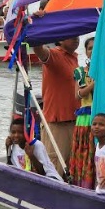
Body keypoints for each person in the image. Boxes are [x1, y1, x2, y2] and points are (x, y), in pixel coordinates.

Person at [32, 35, 80, 177]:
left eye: (77, 35)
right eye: (71, 35)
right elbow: (39, 50)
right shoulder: (55, 55)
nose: (76, 38)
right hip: (57, 124)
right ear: (60, 39)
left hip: (75, 122)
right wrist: (40, 30)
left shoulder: (74, 58)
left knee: (73, 168)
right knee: (56, 169)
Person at [69, 37, 96, 188]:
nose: (92, 50)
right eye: (90, 48)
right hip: (86, 117)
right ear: (86, 52)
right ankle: (84, 185)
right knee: (86, 152)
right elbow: (78, 95)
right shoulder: (80, 72)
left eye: (95, 47)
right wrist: (93, 85)